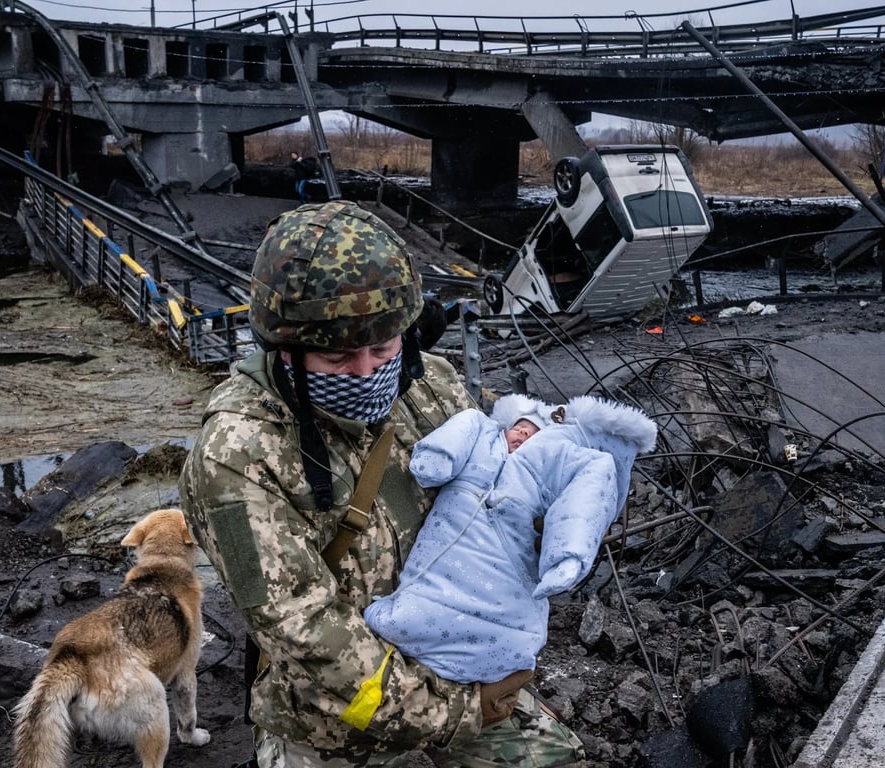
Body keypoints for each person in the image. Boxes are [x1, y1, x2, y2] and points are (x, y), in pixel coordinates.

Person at [179, 200, 585, 767]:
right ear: (285, 350)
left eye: (382, 348)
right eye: (338, 355)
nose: (367, 372)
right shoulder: (238, 455)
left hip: (456, 662)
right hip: (333, 719)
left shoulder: (430, 389)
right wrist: (461, 712)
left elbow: (505, 494)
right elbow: (305, 635)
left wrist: (562, 478)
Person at [364, 393, 659, 684]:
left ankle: (497, 661)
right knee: (426, 595)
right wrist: (438, 457)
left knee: (508, 611)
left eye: (531, 431)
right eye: (518, 426)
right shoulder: (481, 435)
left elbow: (583, 501)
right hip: (449, 547)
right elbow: (463, 427)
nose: (521, 433)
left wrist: (568, 553)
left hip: (508, 556)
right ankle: (407, 627)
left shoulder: (549, 460)